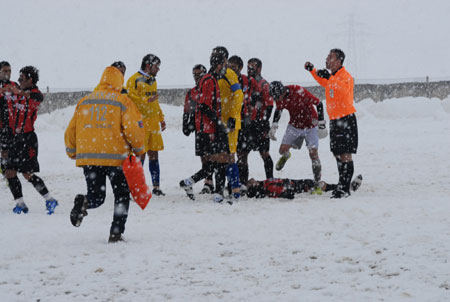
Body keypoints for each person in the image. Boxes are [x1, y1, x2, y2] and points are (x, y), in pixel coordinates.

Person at [65, 65, 145, 243]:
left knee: (97, 196)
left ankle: (84, 202)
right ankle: (115, 233)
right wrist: (139, 149)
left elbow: (72, 129)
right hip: (116, 158)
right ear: (119, 80)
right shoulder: (122, 101)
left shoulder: (85, 101)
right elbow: (133, 128)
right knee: (122, 195)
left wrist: (72, 151)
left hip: (89, 158)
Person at [1, 66, 59, 214]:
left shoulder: (34, 94)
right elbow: (7, 94)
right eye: (18, 78)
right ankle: (20, 203)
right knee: (9, 172)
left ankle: (50, 199)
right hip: (15, 138)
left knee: (28, 174)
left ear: (30, 80)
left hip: (28, 139)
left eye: (22, 79)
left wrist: (17, 91)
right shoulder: (16, 92)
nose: (19, 81)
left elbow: (38, 98)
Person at [179, 52, 232, 204]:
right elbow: (204, 105)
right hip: (209, 129)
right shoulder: (209, 80)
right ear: (219, 64)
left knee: (216, 162)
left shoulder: (209, 79)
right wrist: (218, 122)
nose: (226, 66)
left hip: (206, 128)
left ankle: (190, 182)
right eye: (225, 63)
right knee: (221, 160)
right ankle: (218, 193)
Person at [305, 48, 358, 198]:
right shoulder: (333, 77)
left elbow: (341, 89)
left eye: (331, 57)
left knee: (346, 155)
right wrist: (312, 70)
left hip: (346, 119)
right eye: (327, 56)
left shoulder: (345, 76)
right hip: (335, 120)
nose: (327, 59)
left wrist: (330, 77)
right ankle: (341, 184)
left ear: (339, 61)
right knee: (337, 154)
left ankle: (344, 189)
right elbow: (324, 81)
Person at [268, 81, 325, 194]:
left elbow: (319, 103)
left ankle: (317, 183)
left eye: (278, 97)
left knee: (313, 154)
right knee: (282, 150)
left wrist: (321, 124)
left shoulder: (299, 91)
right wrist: (274, 125)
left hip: (310, 125)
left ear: (283, 91)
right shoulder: (280, 98)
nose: (277, 100)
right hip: (294, 125)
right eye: (274, 98)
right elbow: (278, 110)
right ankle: (286, 156)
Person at [126, 54, 166, 196]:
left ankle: (156, 187)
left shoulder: (153, 80)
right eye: (157, 66)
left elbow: (154, 101)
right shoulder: (133, 80)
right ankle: (135, 188)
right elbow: (130, 99)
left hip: (153, 122)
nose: (158, 69)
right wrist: (146, 100)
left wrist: (161, 117)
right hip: (141, 123)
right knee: (140, 155)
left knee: (154, 154)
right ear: (148, 66)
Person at [209, 46, 244, 203]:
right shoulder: (211, 74)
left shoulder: (229, 74)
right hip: (216, 123)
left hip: (230, 123)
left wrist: (232, 116)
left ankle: (235, 190)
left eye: (216, 55)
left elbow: (238, 94)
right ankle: (219, 189)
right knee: (218, 157)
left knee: (230, 156)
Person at [239, 58, 274, 185]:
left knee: (264, 153)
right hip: (246, 124)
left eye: (252, 67)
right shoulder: (245, 83)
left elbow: (270, 106)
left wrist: (263, 122)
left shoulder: (265, 84)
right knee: (242, 154)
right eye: (248, 67)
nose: (249, 70)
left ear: (259, 69)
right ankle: (243, 183)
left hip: (260, 124)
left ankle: (270, 181)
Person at [181, 64, 213, 196]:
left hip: (211, 129)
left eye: (199, 74)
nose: (196, 77)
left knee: (214, 159)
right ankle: (208, 183)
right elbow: (187, 110)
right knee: (204, 158)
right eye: (194, 74)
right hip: (199, 129)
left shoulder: (209, 89)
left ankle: (207, 182)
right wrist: (185, 125)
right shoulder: (192, 92)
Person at [228, 55, 251, 194]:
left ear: (240, 68)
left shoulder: (247, 81)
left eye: (234, 67)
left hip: (244, 121)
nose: (231, 69)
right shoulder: (226, 79)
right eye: (229, 66)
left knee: (242, 155)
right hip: (231, 120)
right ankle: (232, 182)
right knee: (230, 154)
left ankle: (243, 182)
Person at [246, 174, 362, 199]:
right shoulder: (268, 187)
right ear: (254, 186)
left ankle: (344, 186)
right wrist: (289, 188)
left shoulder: (263, 183)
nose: (250, 179)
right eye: (250, 182)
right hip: (297, 186)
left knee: (320, 184)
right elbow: (286, 193)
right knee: (320, 185)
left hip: (295, 181)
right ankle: (348, 187)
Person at [0, 61, 18, 175]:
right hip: (2, 125)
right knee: (5, 151)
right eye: (5, 70)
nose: (8, 73)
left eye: (9, 70)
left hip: (13, 125)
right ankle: (5, 173)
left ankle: (9, 172)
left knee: (12, 151)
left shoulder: (14, 85)